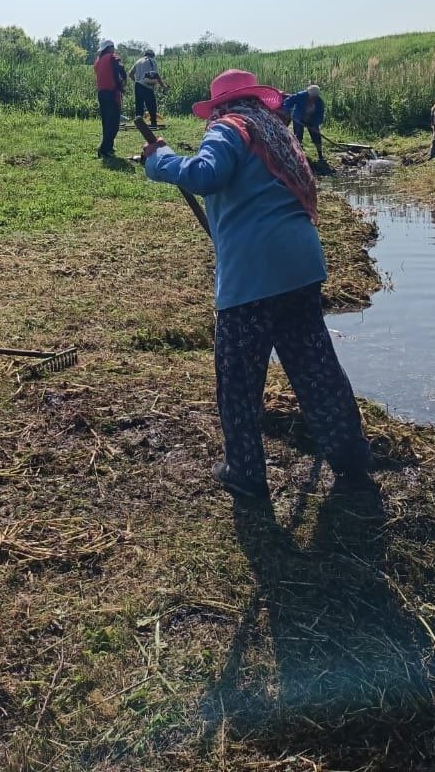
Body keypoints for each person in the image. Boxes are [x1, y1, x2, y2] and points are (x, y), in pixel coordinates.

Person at [142, 68, 376, 500]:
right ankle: (351, 456)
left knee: (238, 377)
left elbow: (204, 175)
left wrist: (160, 160)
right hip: (301, 265)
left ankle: (245, 470)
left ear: (221, 105)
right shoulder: (276, 132)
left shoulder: (228, 128)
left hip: (253, 274)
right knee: (316, 367)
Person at [93, 39, 127, 158]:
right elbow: (121, 72)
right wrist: (121, 85)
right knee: (113, 124)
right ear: (110, 47)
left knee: (106, 122)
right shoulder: (113, 58)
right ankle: (103, 149)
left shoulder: (98, 61)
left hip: (101, 94)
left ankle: (109, 147)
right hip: (112, 93)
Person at [282, 84, 328, 166]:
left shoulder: (319, 102)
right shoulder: (300, 96)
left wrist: (315, 124)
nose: (313, 98)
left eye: (315, 97)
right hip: (299, 118)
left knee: (316, 136)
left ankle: (320, 155)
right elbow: (288, 101)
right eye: (312, 96)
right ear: (308, 93)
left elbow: (320, 116)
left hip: (312, 120)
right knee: (298, 136)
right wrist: (287, 111)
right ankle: (298, 154)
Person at [130, 48, 167, 128]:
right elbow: (155, 75)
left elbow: (130, 74)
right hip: (147, 86)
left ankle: (139, 123)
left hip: (138, 86)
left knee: (139, 105)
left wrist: (137, 81)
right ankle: (153, 122)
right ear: (152, 55)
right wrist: (163, 86)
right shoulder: (152, 61)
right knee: (151, 104)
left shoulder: (138, 61)